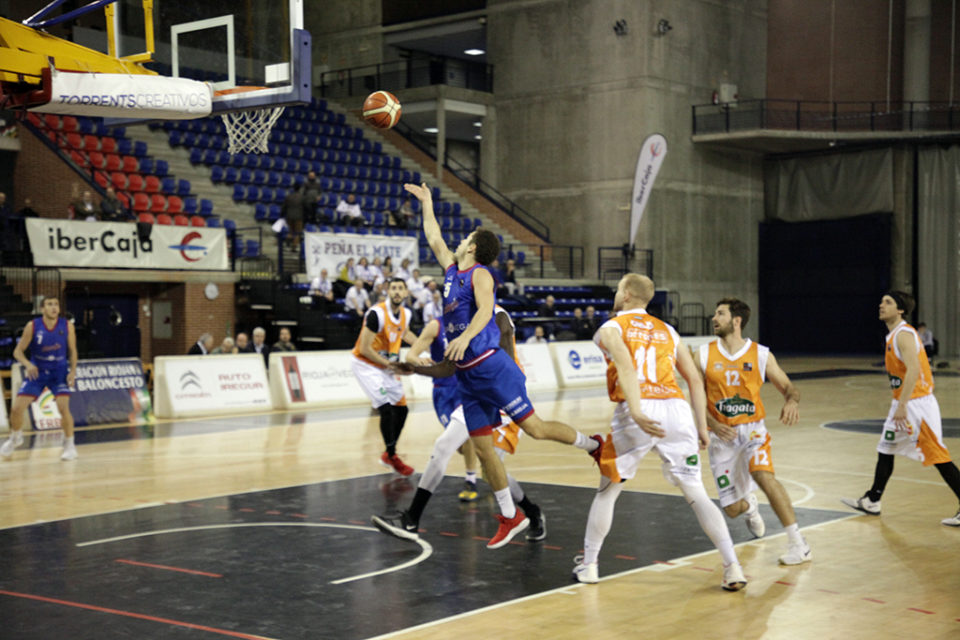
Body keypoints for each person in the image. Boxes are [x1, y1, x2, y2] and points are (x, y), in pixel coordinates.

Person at [376, 182, 600, 549]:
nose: (461, 239)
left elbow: (484, 310)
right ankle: (511, 515)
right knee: (482, 452)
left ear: (475, 247)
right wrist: (427, 204)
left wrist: (464, 338)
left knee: (537, 430)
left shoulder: (480, 275)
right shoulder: (451, 272)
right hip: (468, 377)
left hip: (492, 369)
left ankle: (593, 446)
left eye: (467, 237)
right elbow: (432, 235)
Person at [574, 274, 746, 590]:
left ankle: (589, 565)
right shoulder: (667, 329)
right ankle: (732, 566)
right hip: (677, 411)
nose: (615, 294)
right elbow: (694, 380)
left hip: (639, 409)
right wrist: (701, 426)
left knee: (608, 490)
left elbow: (625, 365)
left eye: (617, 290)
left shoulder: (610, 328)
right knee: (696, 493)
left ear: (626, 294)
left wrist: (637, 410)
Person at [373, 305, 547, 541]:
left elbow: (503, 353)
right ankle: (411, 520)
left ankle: (531, 511)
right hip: (474, 394)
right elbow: (450, 366)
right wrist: (413, 367)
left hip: (504, 395)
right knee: (443, 446)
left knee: (491, 471)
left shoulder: (495, 314)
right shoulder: (457, 320)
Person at [698, 298, 810, 565]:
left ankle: (799, 544)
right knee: (732, 510)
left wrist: (791, 400)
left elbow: (788, 386)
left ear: (736, 321)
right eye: (715, 313)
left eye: (720, 314)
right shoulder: (702, 354)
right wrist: (711, 424)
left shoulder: (761, 354)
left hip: (752, 432)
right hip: (721, 438)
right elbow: (694, 396)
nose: (714, 318)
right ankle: (750, 507)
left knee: (764, 476)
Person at [841, 291, 960, 527]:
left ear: (901, 310)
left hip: (917, 404)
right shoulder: (894, 334)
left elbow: (914, 369)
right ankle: (873, 499)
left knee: (937, 456)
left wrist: (903, 404)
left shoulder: (904, 334)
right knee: (886, 447)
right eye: (882, 301)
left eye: (888, 302)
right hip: (904, 401)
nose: (881, 305)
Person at [351, 278, 420, 475]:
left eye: (401, 288)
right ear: (387, 292)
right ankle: (392, 455)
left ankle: (389, 454)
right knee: (386, 408)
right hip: (365, 364)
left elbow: (405, 334)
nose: (397, 292)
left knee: (402, 410)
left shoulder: (406, 314)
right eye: (394, 288)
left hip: (386, 366)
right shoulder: (377, 314)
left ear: (406, 293)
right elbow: (364, 348)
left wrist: (426, 347)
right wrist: (392, 365)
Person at [0, 296, 78, 461]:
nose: (53, 307)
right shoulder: (33, 326)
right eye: (49, 304)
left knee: (63, 408)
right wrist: (28, 364)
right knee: (16, 409)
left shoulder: (67, 326)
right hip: (38, 372)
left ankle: (70, 445)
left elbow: (73, 351)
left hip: (59, 372)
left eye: (56, 304)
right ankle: (15, 437)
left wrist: (73, 372)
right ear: (42, 309)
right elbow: (17, 352)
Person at [282, 183, 305, 251]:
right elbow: (306, 207)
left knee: (290, 231)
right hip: (298, 217)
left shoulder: (288, 196)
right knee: (298, 232)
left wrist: (282, 214)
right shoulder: (302, 197)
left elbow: (284, 207)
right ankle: (294, 246)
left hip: (289, 216)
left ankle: (288, 240)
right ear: (299, 189)